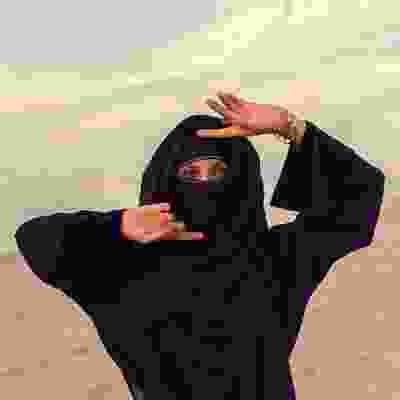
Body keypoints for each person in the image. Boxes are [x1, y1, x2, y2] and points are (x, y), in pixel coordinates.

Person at [14, 92, 385, 400]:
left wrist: (289, 126)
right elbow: (35, 240)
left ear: (240, 177)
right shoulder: (122, 270)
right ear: (166, 179)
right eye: (190, 173)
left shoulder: (274, 258)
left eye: (218, 171)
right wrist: (117, 226)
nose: (205, 184)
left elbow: (358, 198)